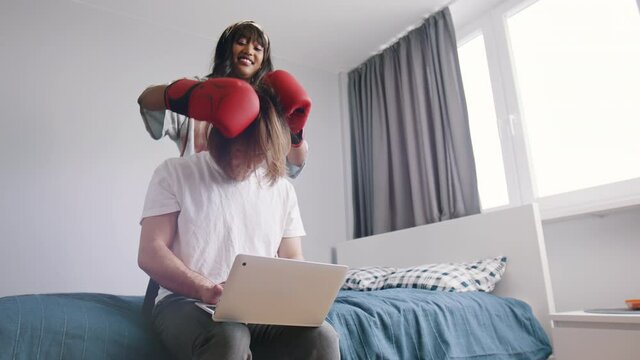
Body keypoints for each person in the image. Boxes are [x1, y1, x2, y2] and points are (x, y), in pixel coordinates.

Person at [137, 20, 309, 179]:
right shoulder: (199, 88)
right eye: (241, 42)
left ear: (263, 60)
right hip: (197, 194)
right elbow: (146, 102)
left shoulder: (271, 103)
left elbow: (293, 167)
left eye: (257, 48)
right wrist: (191, 95)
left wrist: (294, 130)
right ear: (227, 49)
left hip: (253, 202)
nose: (249, 51)